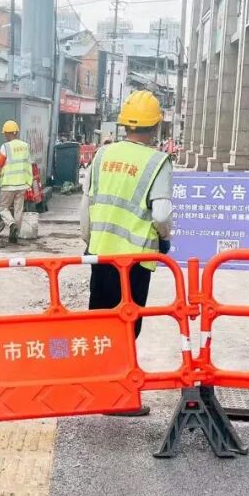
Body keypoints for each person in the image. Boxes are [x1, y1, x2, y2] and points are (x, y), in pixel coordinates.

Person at [81, 89, 173, 346]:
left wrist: (89, 240)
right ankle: (122, 369)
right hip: (136, 261)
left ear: (123, 124)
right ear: (155, 126)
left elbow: (86, 204)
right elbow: (161, 215)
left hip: (100, 254)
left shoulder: (102, 155)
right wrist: (164, 239)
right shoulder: (157, 162)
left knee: (99, 324)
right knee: (128, 326)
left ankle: (101, 368)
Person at [0, 119, 32, 244]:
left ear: (7, 133)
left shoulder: (5, 147)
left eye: (5, 133)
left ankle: (11, 224)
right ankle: (15, 235)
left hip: (8, 184)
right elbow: (29, 164)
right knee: (18, 209)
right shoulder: (25, 146)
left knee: (3, 207)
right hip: (22, 184)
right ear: (16, 132)